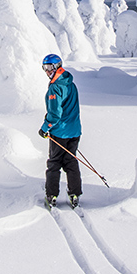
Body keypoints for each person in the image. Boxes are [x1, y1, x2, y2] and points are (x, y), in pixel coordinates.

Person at [38, 53, 82, 208]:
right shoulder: (70, 83)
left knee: (54, 163)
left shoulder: (55, 87)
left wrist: (45, 128)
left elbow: (55, 114)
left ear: (57, 66)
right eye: (45, 68)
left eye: (50, 67)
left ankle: (52, 195)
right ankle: (74, 193)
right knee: (71, 161)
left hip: (60, 132)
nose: (47, 71)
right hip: (74, 131)